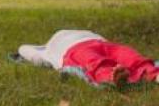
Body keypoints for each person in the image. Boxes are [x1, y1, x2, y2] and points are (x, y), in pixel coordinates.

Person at [18, 30, 159, 87]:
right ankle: (112, 76)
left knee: (129, 55)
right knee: (94, 62)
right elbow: (25, 49)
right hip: (73, 49)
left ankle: (153, 74)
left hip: (102, 43)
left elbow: (23, 49)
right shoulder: (47, 49)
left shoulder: (47, 49)